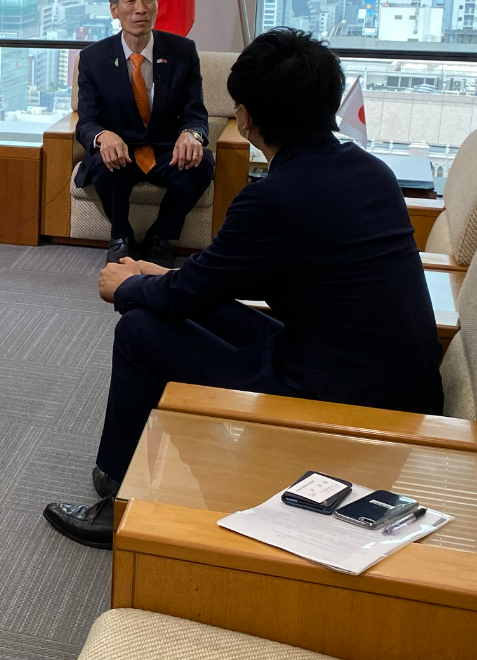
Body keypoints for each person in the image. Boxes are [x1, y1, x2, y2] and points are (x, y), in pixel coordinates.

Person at [43, 29, 442, 550]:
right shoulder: (372, 171)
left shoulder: (273, 198)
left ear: (248, 118)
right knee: (181, 305)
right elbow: (212, 281)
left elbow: (190, 294)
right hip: (392, 374)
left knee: (140, 330)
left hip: (339, 393)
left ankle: (118, 502)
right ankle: (132, 468)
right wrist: (157, 277)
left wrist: (127, 287)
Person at [75, 0, 214, 266]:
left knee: (202, 162)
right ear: (114, 10)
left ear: (157, 5)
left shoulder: (182, 51)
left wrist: (192, 134)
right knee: (101, 163)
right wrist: (103, 136)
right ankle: (121, 236)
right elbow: (87, 121)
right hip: (121, 153)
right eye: (130, 1)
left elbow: (196, 113)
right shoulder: (93, 58)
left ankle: (160, 236)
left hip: (166, 152)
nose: (140, 9)